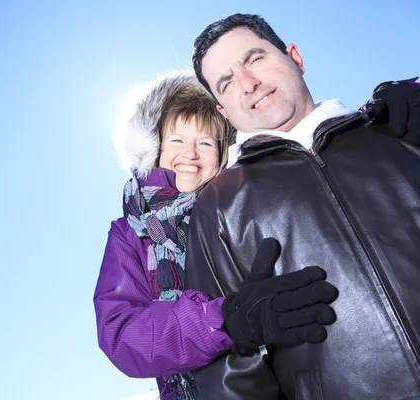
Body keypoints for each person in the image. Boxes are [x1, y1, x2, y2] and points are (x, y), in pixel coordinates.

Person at [94, 68, 419, 399]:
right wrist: (222, 320)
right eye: (177, 141)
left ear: (224, 151)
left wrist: (385, 112)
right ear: (154, 149)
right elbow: (121, 333)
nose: (190, 154)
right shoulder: (132, 233)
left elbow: (313, 160)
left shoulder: (244, 200)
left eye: (204, 142)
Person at [184, 13, 420, 399]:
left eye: (255, 58)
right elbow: (228, 374)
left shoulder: (398, 129)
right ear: (223, 111)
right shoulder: (218, 207)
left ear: (295, 57)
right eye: (226, 83)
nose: (248, 84)